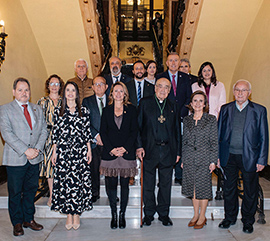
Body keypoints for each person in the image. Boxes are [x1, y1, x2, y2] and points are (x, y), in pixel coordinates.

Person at [218, 79, 269, 234]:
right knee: (229, 189)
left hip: (250, 157)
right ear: (233, 92)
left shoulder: (259, 110)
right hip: (229, 156)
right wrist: (218, 156)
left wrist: (262, 159)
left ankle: (248, 220)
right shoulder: (225, 109)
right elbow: (219, 134)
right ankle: (230, 218)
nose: (240, 93)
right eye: (237, 90)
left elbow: (263, 137)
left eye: (244, 90)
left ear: (249, 93)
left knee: (250, 191)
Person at [0, 78, 47, 236]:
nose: (24, 93)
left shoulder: (37, 109)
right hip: (16, 159)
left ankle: (29, 219)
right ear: (14, 92)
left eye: (26, 90)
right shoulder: (5, 110)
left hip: (34, 158)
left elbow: (43, 132)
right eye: (20, 90)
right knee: (15, 192)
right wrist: (26, 150)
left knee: (30, 190)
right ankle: (17, 223)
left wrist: (37, 149)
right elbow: (7, 134)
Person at [137, 78, 181, 227]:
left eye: (166, 87)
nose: (163, 90)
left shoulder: (173, 105)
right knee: (148, 184)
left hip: (168, 150)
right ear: (155, 88)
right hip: (149, 149)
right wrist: (139, 146)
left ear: (169, 90)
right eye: (160, 86)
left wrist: (178, 152)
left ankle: (164, 214)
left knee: (165, 184)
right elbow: (138, 127)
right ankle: (148, 213)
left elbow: (177, 131)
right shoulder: (145, 103)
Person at [51, 81, 93, 230]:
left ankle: (77, 214)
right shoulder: (58, 111)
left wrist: (89, 150)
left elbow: (87, 133)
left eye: (73, 90)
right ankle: (69, 214)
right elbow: (55, 134)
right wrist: (54, 152)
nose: (70, 93)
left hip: (79, 152)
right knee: (66, 184)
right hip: (63, 152)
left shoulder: (84, 111)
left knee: (78, 184)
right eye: (68, 90)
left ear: (76, 93)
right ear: (64, 93)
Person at [99, 82, 138, 229]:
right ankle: (113, 214)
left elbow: (134, 131)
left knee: (125, 186)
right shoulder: (106, 110)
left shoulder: (132, 110)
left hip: (126, 154)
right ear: (111, 93)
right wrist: (111, 149)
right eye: (116, 91)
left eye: (121, 91)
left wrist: (125, 148)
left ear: (125, 94)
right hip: (110, 154)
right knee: (111, 186)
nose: (118, 93)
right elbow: (103, 132)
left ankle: (122, 214)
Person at [181, 91, 218, 229]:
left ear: (205, 104)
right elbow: (184, 141)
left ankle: (203, 216)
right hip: (190, 157)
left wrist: (213, 160)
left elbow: (214, 142)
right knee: (193, 189)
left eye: (200, 101)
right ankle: (195, 215)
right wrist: (184, 158)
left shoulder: (211, 119)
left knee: (203, 188)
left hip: (205, 158)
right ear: (191, 103)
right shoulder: (187, 120)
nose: (197, 103)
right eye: (195, 101)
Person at [157, 52, 192, 186]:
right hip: (164, 117)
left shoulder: (185, 78)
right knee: (166, 145)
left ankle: (179, 175)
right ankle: (163, 176)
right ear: (166, 63)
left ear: (179, 63)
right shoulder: (160, 77)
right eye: (170, 60)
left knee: (180, 144)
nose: (173, 63)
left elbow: (188, 98)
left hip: (182, 116)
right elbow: (159, 96)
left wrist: (180, 112)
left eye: (176, 60)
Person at [37, 74, 64, 207]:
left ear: (60, 86)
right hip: (47, 135)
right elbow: (37, 121)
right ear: (48, 86)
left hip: (63, 135)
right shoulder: (42, 101)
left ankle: (62, 193)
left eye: (57, 83)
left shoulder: (64, 101)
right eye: (52, 83)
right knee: (49, 165)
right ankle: (53, 195)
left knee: (62, 164)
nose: (54, 86)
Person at [82, 76, 108, 203]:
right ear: (92, 87)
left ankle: (111, 193)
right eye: (96, 84)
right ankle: (94, 193)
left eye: (101, 84)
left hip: (110, 141)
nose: (99, 86)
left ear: (106, 86)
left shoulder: (112, 100)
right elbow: (84, 122)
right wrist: (96, 135)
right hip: (93, 142)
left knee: (110, 169)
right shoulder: (87, 101)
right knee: (93, 169)